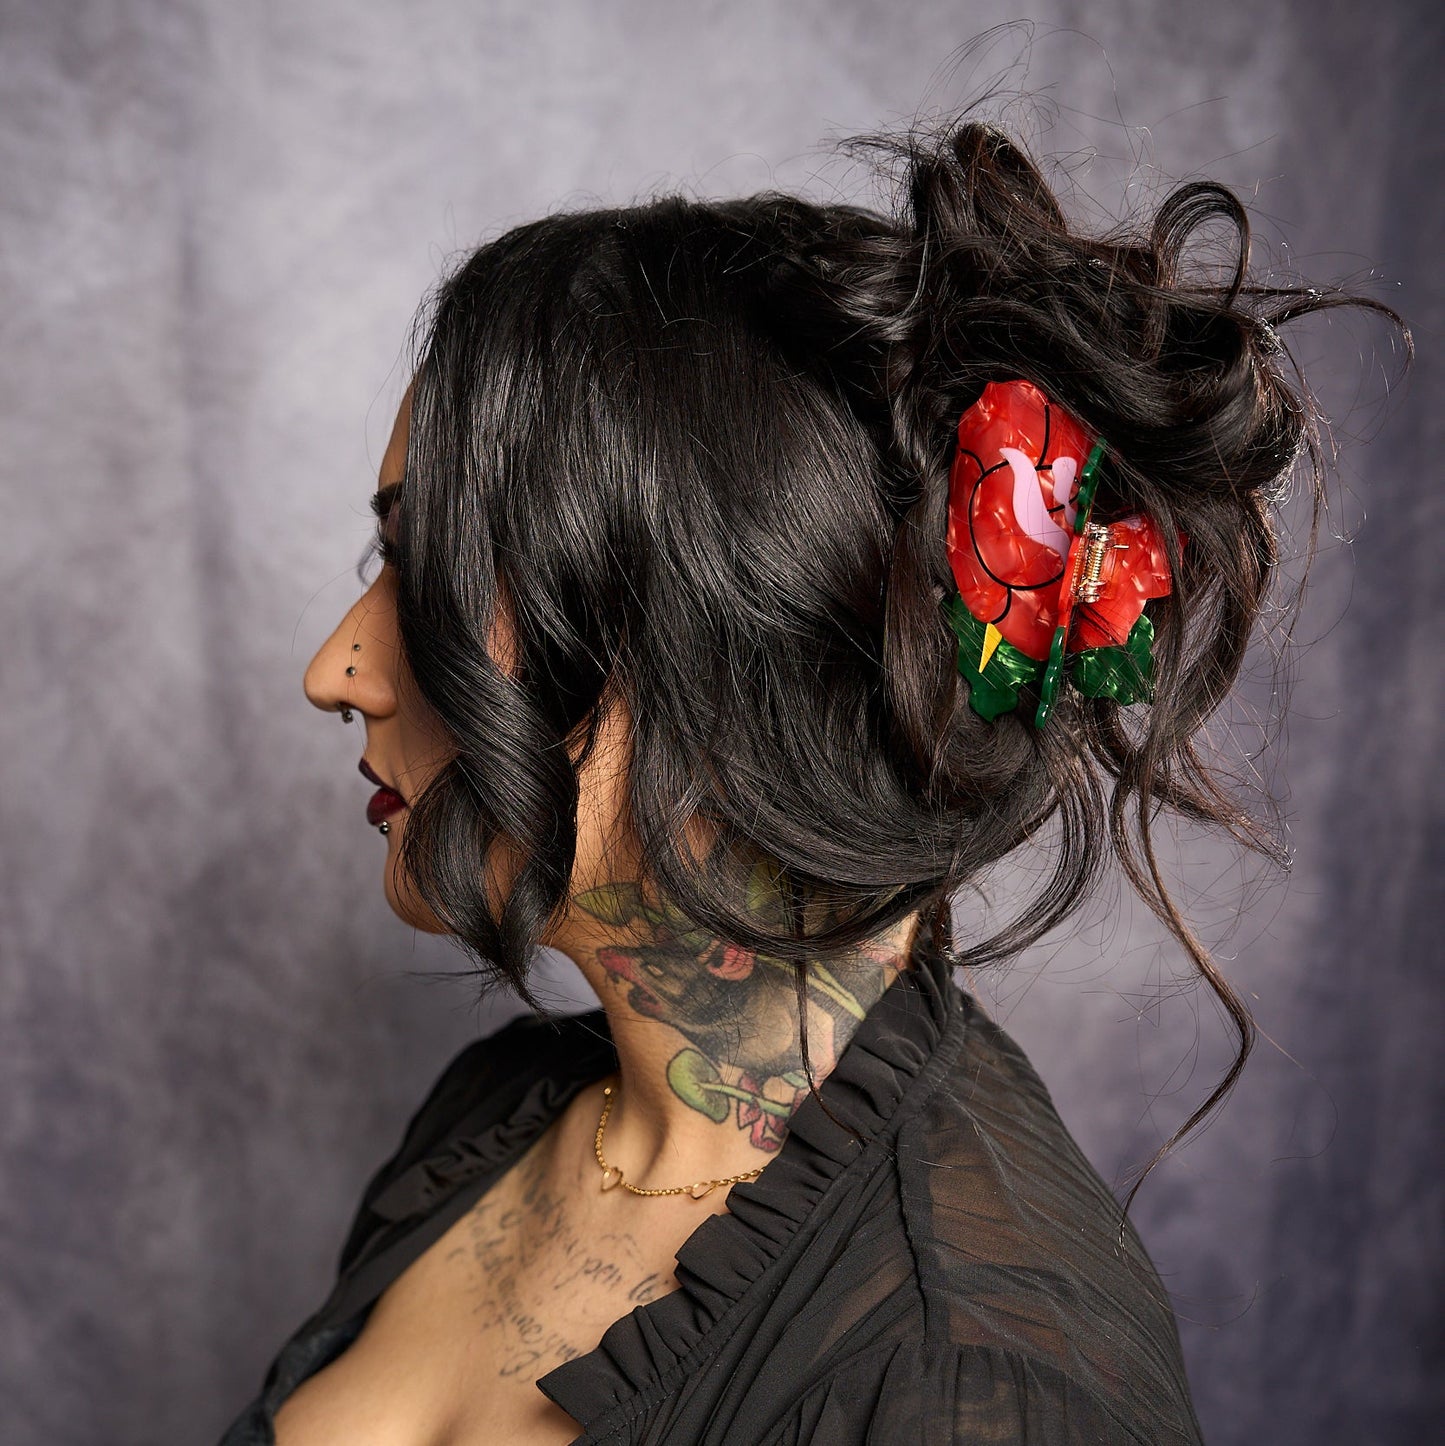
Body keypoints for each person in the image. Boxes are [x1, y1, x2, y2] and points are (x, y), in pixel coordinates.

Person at [218, 116, 1401, 1445]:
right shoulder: (498, 1117)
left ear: (711, 652)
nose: (337, 668)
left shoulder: (966, 1383)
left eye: (428, 574)